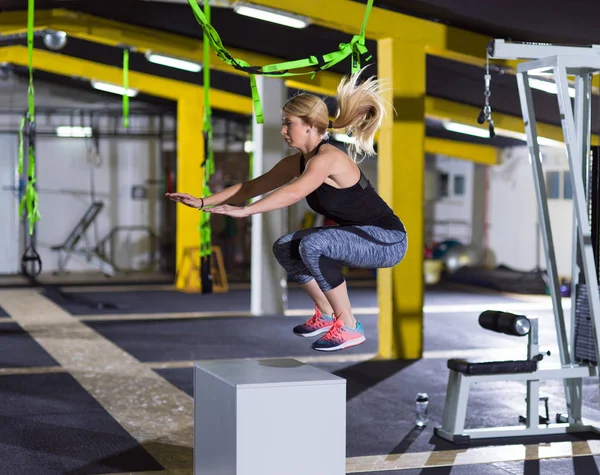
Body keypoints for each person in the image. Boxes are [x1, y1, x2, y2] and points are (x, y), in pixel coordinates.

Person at [166, 70, 407, 352]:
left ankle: (349, 325)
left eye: (287, 124)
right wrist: (203, 202)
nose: (283, 130)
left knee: (314, 245)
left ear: (308, 126)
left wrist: (246, 212)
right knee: (286, 247)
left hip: (387, 240)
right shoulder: (298, 162)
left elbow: (294, 192)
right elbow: (249, 187)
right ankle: (327, 314)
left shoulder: (329, 158)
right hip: (359, 235)